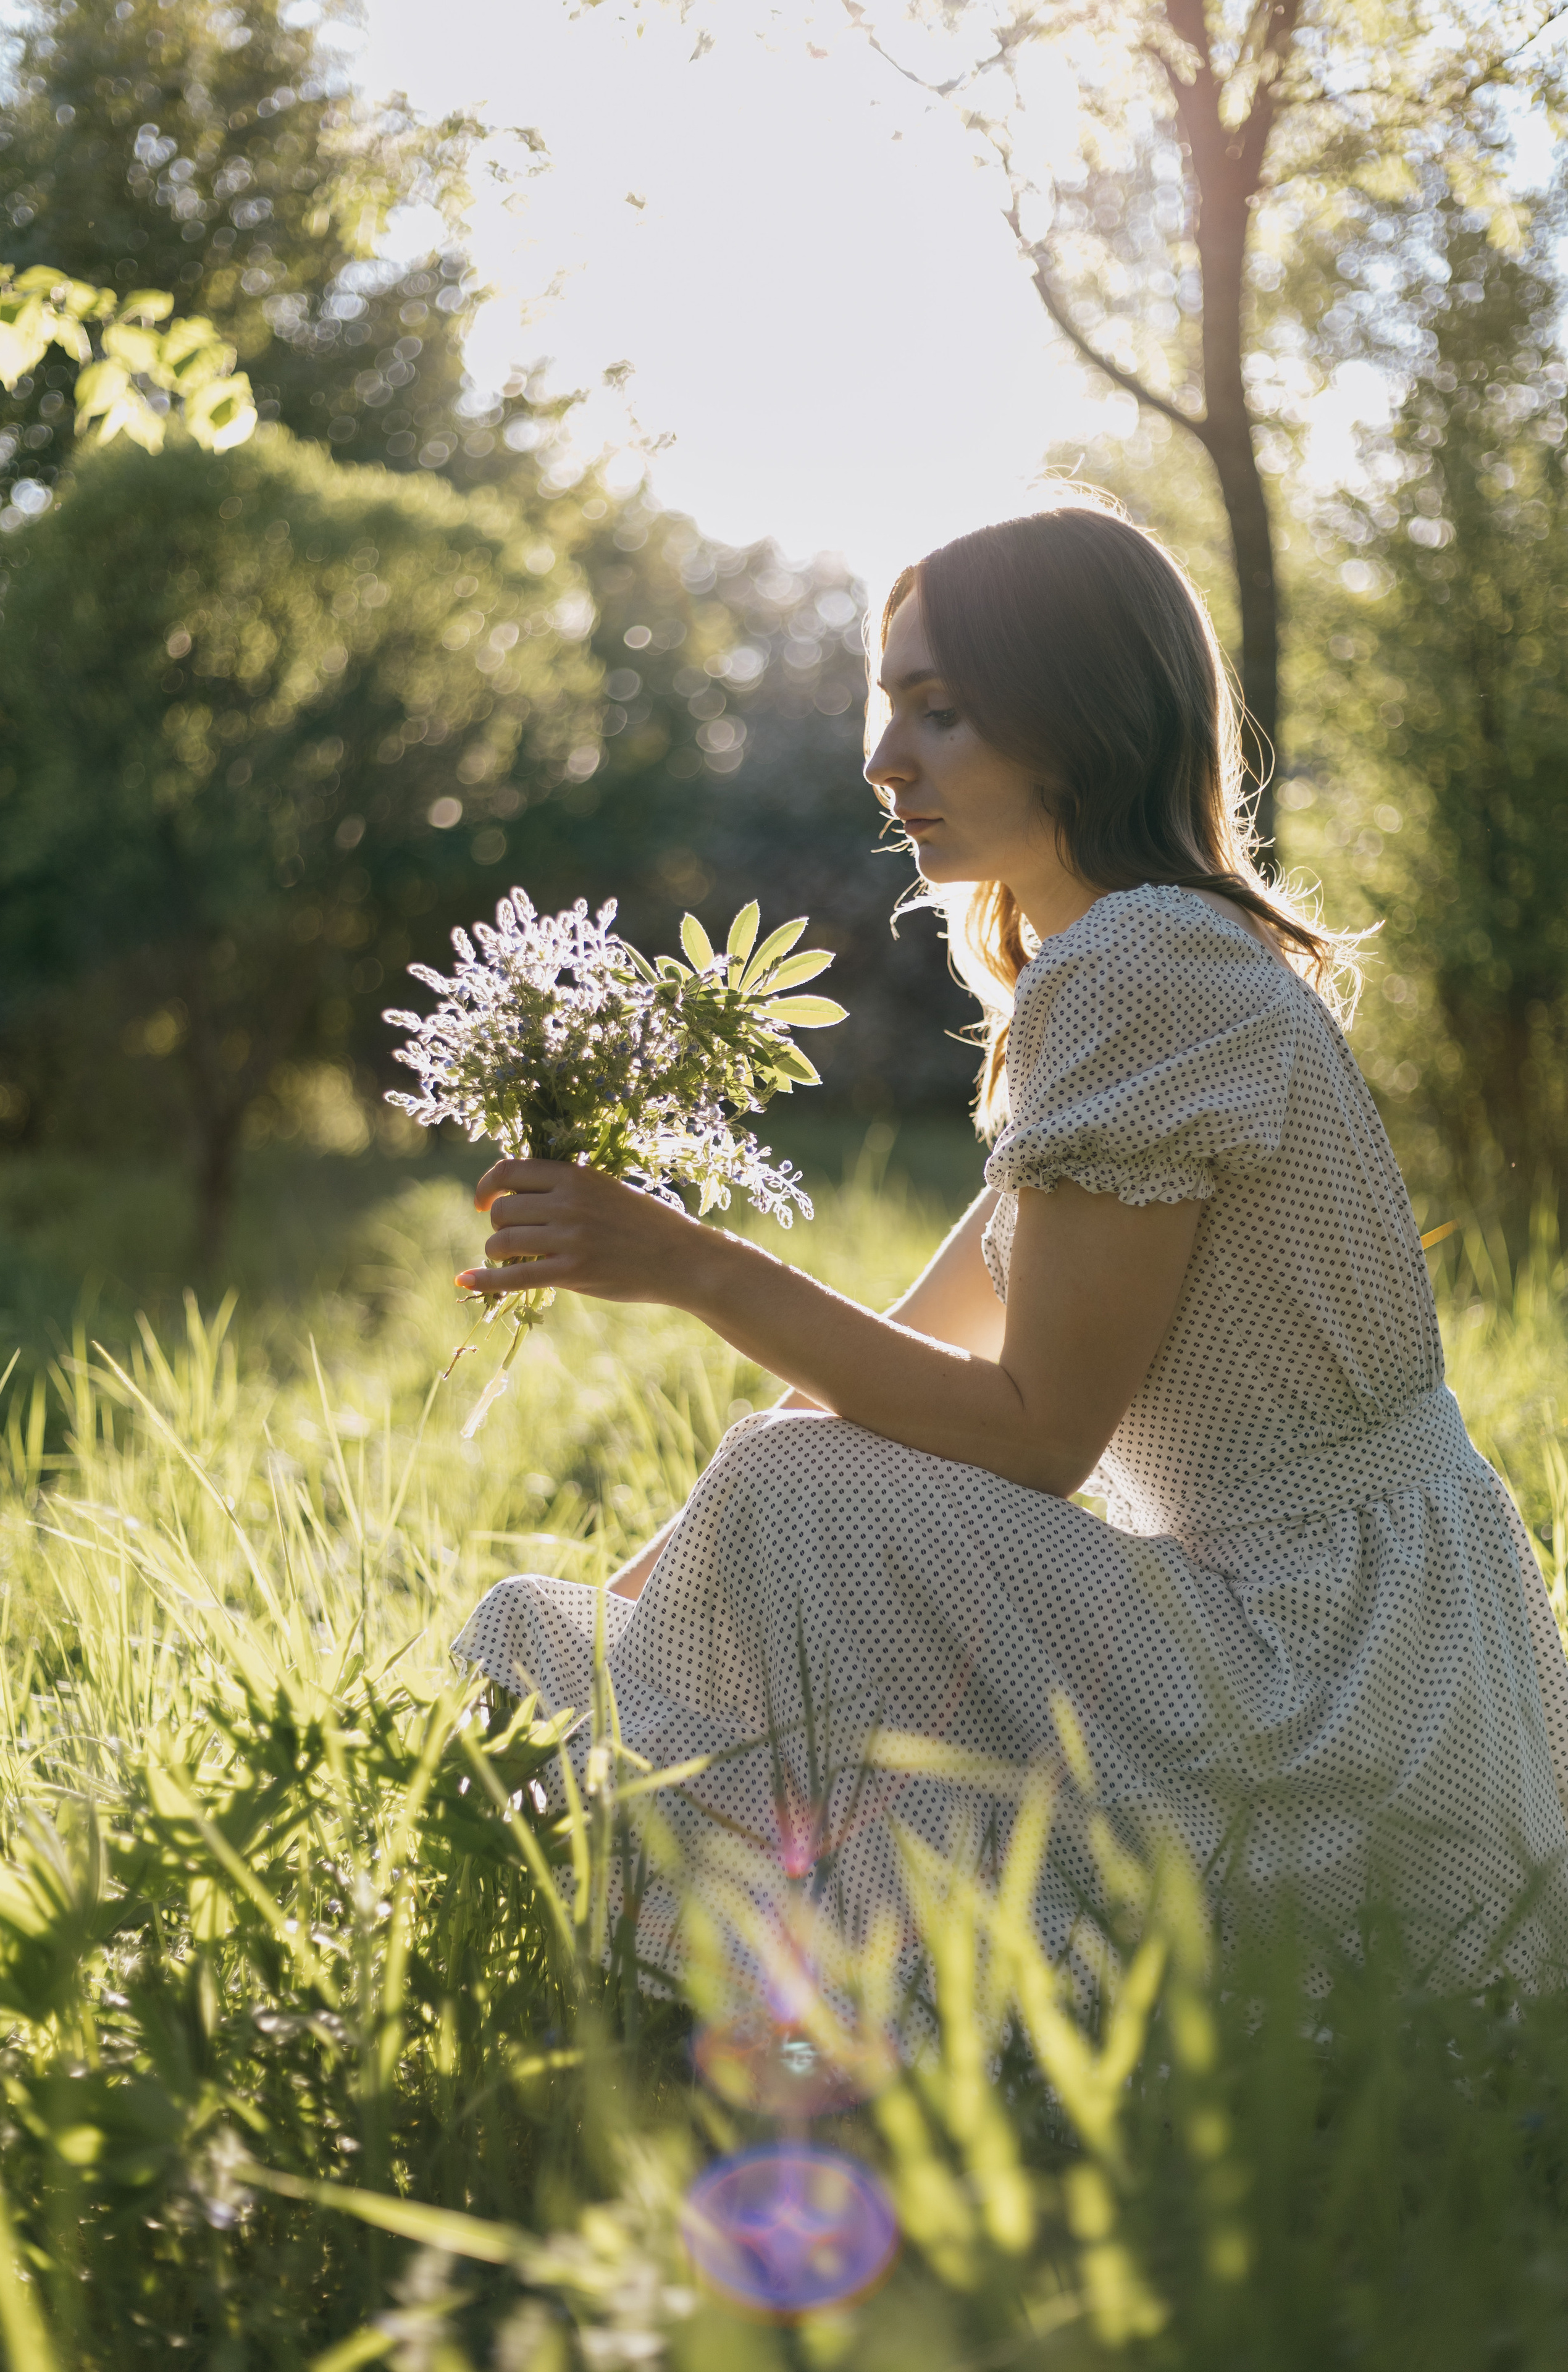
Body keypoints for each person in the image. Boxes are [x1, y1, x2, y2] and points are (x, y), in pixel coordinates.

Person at [450, 494, 1568, 1995]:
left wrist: (694, 1265)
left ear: (1079, 721)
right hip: (1362, 1633)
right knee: (748, 1501)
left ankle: (823, 1953)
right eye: (885, 703)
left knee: (790, 1497)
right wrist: (632, 1614)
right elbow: (897, 1359)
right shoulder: (1129, 959)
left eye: (943, 710)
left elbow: (1038, 1436)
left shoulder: (1141, 970)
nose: (881, 759)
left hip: (1332, 1679)